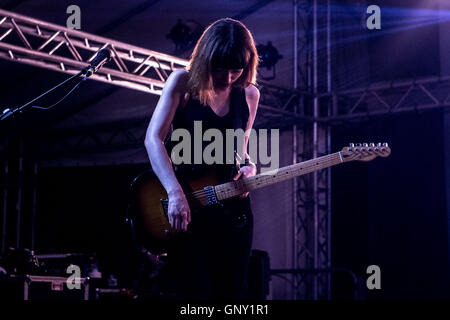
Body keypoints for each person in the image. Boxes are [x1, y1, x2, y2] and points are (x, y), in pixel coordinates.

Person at [144, 17, 260, 300]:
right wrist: (175, 192)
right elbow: (153, 139)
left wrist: (250, 168)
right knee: (194, 293)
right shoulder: (182, 82)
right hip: (188, 206)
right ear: (207, 59)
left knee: (233, 294)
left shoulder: (250, 94)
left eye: (237, 69)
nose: (229, 77)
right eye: (222, 69)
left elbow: (241, 152)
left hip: (234, 211)